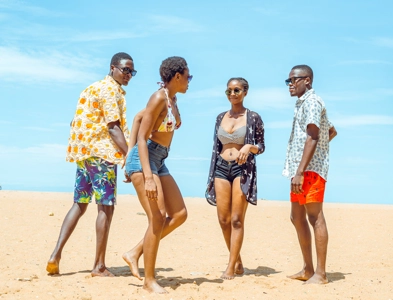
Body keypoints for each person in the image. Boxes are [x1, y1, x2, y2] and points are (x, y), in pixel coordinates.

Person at [46, 52, 136, 277]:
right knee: (106, 206)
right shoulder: (110, 90)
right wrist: (129, 155)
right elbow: (113, 127)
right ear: (113, 67)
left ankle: (55, 255)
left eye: (132, 72)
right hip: (102, 154)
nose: (129, 75)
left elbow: (75, 120)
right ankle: (99, 266)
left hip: (85, 154)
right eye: (125, 70)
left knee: (80, 203)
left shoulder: (91, 88)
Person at [123, 56, 191, 294]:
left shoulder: (171, 99)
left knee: (180, 214)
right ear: (177, 76)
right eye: (188, 76)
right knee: (158, 216)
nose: (189, 81)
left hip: (159, 159)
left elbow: (138, 118)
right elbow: (142, 137)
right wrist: (144, 172)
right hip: (146, 161)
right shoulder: (158, 98)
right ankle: (149, 280)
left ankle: (135, 252)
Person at [205, 77, 265, 280]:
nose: (232, 94)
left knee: (236, 220)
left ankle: (230, 267)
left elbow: (261, 146)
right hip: (221, 168)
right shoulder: (220, 117)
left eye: (237, 90)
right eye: (229, 91)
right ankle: (237, 259)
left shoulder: (253, 117)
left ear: (245, 92)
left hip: (242, 169)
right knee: (223, 220)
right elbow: (216, 147)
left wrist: (249, 147)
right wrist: (212, 174)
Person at [283, 65, 337, 284]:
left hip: (308, 172)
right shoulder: (303, 104)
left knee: (314, 217)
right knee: (296, 217)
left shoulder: (313, 102)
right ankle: (307, 269)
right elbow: (330, 130)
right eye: (288, 81)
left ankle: (321, 274)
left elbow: (314, 135)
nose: (290, 85)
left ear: (307, 80)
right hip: (300, 170)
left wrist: (302, 170)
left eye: (293, 81)